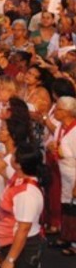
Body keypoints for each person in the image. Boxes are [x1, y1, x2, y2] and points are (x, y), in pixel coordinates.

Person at [0, 143, 45, 268]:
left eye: (13, 155)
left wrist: (10, 260)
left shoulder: (27, 193)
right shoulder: (18, 177)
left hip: (23, 249)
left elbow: (23, 230)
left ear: (19, 163)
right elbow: (0, 166)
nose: (9, 157)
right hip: (12, 245)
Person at [46, 96, 76, 256]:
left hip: (73, 175)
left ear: (67, 112)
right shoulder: (60, 127)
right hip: (63, 172)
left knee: (74, 208)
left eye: (58, 109)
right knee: (67, 206)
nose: (55, 112)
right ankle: (66, 236)